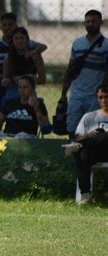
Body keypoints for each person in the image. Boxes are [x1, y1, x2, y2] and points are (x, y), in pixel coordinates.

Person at [0, 13, 47, 124]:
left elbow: (43, 47)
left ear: (16, 26)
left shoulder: (28, 45)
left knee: (23, 122)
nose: (7, 28)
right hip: (0, 89)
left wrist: (33, 53)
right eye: (4, 25)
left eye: (10, 25)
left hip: (25, 90)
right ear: (1, 27)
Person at [60, 10, 108, 139]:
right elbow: (70, 69)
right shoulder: (77, 43)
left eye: (94, 21)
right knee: (72, 130)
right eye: (88, 21)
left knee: (93, 132)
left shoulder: (106, 45)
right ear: (84, 23)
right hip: (76, 94)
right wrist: (64, 93)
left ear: (100, 22)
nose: (90, 24)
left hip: (94, 96)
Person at [65, 84, 108, 204]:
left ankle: (78, 145)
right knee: (82, 154)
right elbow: (79, 135)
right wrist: (90, 135)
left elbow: (78, 139)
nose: (104, 100)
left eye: (107, 97)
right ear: (97, 98)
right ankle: (85, 194)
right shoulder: (89, 117)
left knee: (104, 136)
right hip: (96, 152)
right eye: (101, 97)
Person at [1, 27, 46, 102]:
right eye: (16, 38)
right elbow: (4, 81)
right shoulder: (8, 58)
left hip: (29, 97)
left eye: (22, 38)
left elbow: (43, 80)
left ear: (27, 40)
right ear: (12, 41)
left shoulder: (35, 56)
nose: (19, 41)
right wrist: (12, 80)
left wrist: (29, 79)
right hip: (12, 96)